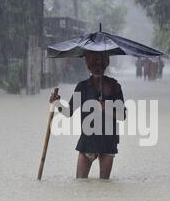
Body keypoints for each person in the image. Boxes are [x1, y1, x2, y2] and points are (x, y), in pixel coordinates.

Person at [50, 52, 127, 180]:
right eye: (93, 64)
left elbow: (122, 115)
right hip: (88, 142)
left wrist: (106, 107)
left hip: (108, 141)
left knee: (105, 187)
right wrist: (57, 102)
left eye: (100, 63)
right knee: (80, 184)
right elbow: (68, 112)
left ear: (105, 65)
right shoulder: (83, 87)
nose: (97, 66)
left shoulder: (114, 87)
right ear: (88, 66)